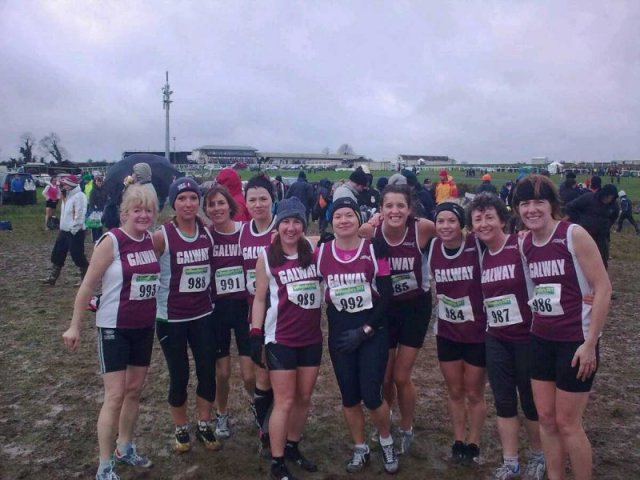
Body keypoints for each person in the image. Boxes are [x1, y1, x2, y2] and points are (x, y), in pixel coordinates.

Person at [514, 175, 611, 480]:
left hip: (575, 342)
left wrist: (590, 342)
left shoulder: (573, 234)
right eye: (525, 203)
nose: (531, 209)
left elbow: (603, 287)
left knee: (569, 424)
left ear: (552, 205)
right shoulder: (525, 242)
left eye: (538, 202)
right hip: (541, 339)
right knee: (546, 418)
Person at [62, 184, 160, 480]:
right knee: (115, 396)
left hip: (144, 327)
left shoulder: (150, 241)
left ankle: (125, 447)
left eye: (149, 210)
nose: (143, 215)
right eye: (137, 210)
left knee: (134, 391)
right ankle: (105, 466)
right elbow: (88, 285)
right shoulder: (112, 241)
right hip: (113, 328)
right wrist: (74, 324)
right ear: (124, 212)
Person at [317, 197, 398, 474]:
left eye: (349, 215)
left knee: (372, 396)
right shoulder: (322, 251)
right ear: (331, 221)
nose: (343, 220)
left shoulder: (375, 249)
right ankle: (360, 447)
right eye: (338, 216)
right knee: (350, 397)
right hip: (340, 334)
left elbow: (387, 297)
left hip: (372, 330)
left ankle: (386, 441)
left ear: (359, 219)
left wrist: (366, 330)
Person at [468, 193, 545, 480]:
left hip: (527, 337)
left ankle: (538, 457)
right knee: (503, 401)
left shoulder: (521, 244)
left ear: (503, 219)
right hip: (496, 337)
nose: (484, 224)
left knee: (531, 401)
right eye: (478, 219)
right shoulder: (480, 251)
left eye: (490, 217)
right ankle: (510, 461)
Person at [359, 184, 436, 455]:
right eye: (388, 206)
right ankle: (385, 421)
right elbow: (346, 237)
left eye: (400, 205)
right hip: (385, 307)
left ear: (409, 209)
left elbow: (455, 233)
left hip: (416, 307)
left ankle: (406, 428)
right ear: (380, 210)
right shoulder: (370, 232)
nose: (395, 210)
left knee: (402, 376)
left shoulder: (423, 228)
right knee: (386, 376)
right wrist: (367, 222)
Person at [250, 197, 322, 480]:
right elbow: (258, 299)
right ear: (277, 225)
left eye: (297, 222)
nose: (291, 228)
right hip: (280, 339)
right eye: (286, 222)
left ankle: (293, 446)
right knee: (285, 400)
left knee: (304, 397)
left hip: (311, 338)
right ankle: (277, 461)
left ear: (304, 225)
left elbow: (350, 234)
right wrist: (256, 335)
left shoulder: (315, 251)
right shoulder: (267, 257)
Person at [152, 178, 221, 453]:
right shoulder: (162, 236)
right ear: (173, 203)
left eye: (193, 198)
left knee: (207, 373)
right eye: (182, 199)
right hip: (171, 318)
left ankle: (204, 423)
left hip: (203, 314)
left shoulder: (207, 233)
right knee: (179, 375)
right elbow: (142, 265)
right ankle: (181, 427)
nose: (188, 203)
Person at [426, 201, 487, 466]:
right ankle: (458, 439)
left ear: (462, 224)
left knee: (474, 392)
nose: (445, 226)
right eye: (441, 221)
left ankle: (474, 441)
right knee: (454, 391)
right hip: (447, 331)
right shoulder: (432, 248)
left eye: (451, 221)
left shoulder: (477, 244)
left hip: (476, 332)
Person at [205, 184, 254, 440]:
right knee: (222, 372)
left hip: (244, 309)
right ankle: (221, 414)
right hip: (217, 311)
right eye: (211, 205)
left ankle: (258, 407)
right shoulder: (205, 236)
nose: (217, 209)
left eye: (221, 203)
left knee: (249, 374)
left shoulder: (246, 232)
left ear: (230, 205)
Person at [239, 174, 278, 454]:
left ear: (272, 200)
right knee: (255, 376)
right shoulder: (241, 231)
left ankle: (271, 430)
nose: (258, 204)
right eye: (252, 199)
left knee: (277, 376)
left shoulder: (284, 227)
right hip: (253, 313)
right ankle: (265, 423)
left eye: (263, 198)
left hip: (282, 315)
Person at [41, 175, 89, 286]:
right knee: (58, 253)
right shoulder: (66, 195)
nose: (64, 186)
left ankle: (85, 279)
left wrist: (74, 229)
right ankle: (52, 277)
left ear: (71, 184)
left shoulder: (79, 196)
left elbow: (80, 214)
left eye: (66, 184)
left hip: (76, 231)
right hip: (64, 230)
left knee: (78, 255)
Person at [565, 184, 619, 269]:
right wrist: (577, 222)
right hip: (584, 234)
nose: (609, 199)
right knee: (581, 258)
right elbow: (571, 207)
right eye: (607, 196)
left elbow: (613, 218)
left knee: (602, 259)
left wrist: (606, 226)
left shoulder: (614, 206)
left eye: (611, 197)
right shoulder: (588, 198)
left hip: (601, 237)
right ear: (603, 194)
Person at [87, 175, 109, 243]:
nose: (99, 183)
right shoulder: (93, 191)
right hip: (95, 210)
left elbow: (105, 199)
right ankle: (95, 239)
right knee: (95, 225)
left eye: (100, 182)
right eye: (98, 182)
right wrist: (94, 208)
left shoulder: (103, 190)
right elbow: (91, 201)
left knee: (100, 225)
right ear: (95, 182)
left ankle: (100, 238)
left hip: (102, 209)